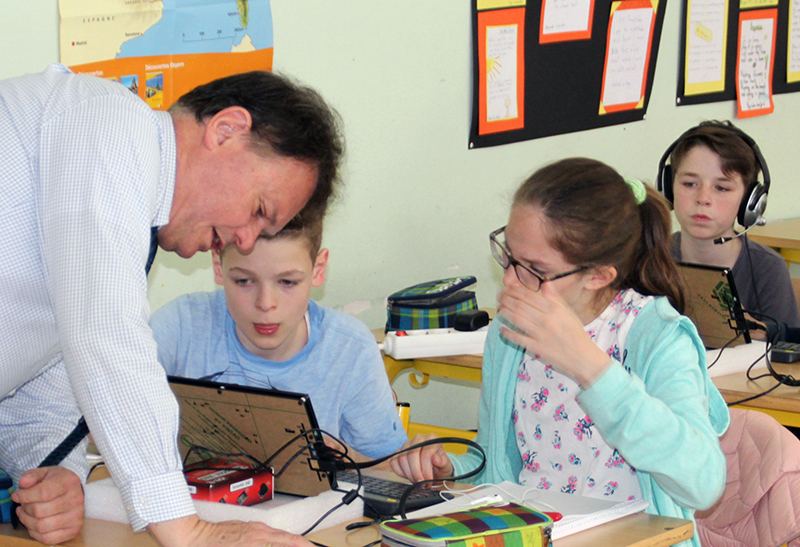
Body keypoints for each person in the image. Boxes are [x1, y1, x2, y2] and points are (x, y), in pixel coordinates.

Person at [0, 64, 342, 547]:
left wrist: (51, 472)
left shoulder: (122, 208)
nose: (244, 240)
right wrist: (192, 531)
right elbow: (105, 336)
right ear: (227, 131)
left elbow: (44, 360)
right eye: (259, 210)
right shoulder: (107, 127)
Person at [390, 158, 729, 547]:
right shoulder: (509, 332)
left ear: (599, 275)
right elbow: (501, 470)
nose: (512, 280)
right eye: (509, 256)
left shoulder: (656, 337)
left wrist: (592, 368)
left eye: (534, 269)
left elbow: (703, 484)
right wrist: (451, 467)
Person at [150, 214, 407, 459]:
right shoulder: (182, 326)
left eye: (287, 282)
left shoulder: (350, 348)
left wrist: (349, 459)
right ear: (218, 266)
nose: (265, 304)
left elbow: (389, 468)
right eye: (243, 281)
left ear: (318, 270)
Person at [661, 121, 800, 332]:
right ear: (669, 189)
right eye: (690, 184)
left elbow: (789, 352)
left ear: (749, 202)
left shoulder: (768, 269)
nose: (703, 198)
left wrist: (757, 332)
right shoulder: (650, 257)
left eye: (722, 188)